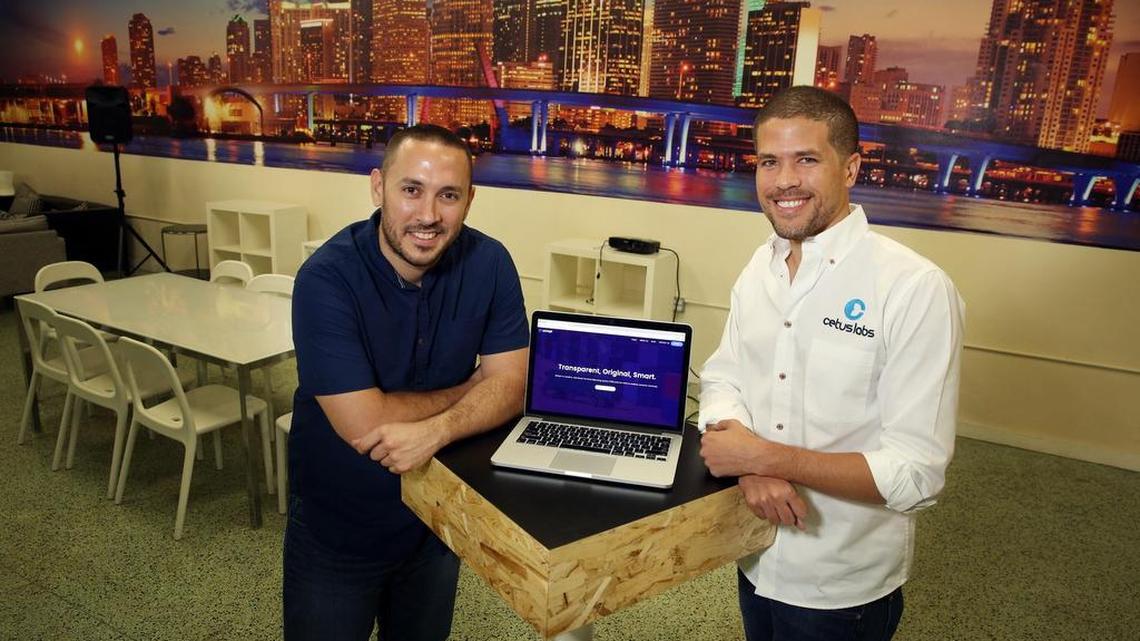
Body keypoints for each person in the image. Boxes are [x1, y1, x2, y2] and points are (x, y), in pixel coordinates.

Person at [698, 86, 964, 641]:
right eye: (769, 161)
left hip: (843, 585)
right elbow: (724, 375)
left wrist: (768, 457)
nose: (783, 181)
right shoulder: (759, 267)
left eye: (807, 159)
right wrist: (751, 465)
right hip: (755, 554)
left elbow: (916, 474)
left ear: (851, 168)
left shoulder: (913, 288)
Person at [283, 124, 529, 641]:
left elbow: (516, 386)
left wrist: (437, 431)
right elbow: (363, 423)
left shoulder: (490, 263)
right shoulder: (325, 279)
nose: (428, 216)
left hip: (435, 521)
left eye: (448, 195)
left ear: (469, 200)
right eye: (411, 190)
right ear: (378, 188)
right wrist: (476, 386)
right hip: (338, 528)